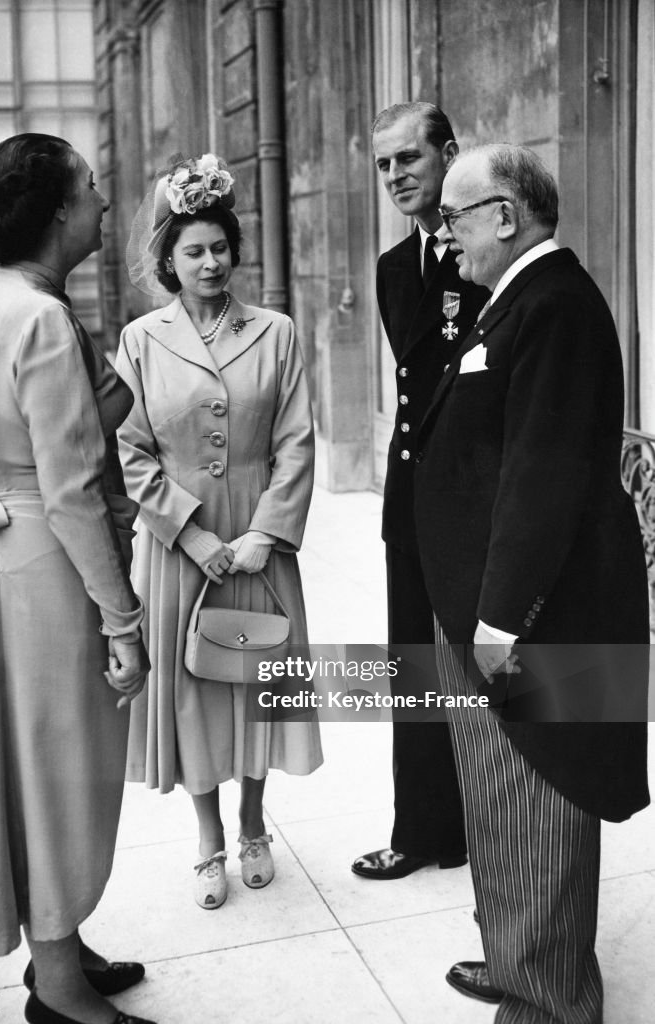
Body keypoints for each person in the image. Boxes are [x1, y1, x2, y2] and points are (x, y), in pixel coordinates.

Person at [0, 134, 156, 1024]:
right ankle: (56, 990)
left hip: (6, 563)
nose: (103, 197)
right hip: (55, 572)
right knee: (63, 775)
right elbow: (73, 491)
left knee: (38, 764)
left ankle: (64, 950)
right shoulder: (44, 319)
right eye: (91, 187)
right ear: (59, 210)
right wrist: (122, 622)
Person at [413, 143, 650, 1022]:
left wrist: (502, 618)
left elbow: (543, 476)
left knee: (537, 806)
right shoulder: (517, 301)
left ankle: (549, 1003)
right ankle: (520, 963)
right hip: (484, 607)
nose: (447, 238)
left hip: (528, 621)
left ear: (504, 216)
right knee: (500, 806)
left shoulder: (553, 305)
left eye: (455, 218)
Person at [116, 153, 322, 911]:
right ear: (168, 259)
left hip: (259, 535)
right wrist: (191, 535)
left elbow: (298, 440)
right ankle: (207, 837)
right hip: (180, 545)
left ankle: (253, 822)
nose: (210, 262)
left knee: (259, 680)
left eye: (220, 247)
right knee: (194, 689)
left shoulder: (275, 332)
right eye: (193, 250)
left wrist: (266, 533)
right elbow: (128, 450)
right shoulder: (140, 341)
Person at [352, 102, 488, 882]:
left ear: (450, 155)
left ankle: (488, 828)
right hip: (413, 502)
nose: (397, 175)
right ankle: (423, 829)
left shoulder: (496, 256)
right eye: (383, 165)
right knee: (414, 670)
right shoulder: (392, 270)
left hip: (478, 505)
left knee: (485, 675)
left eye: (410, 158)